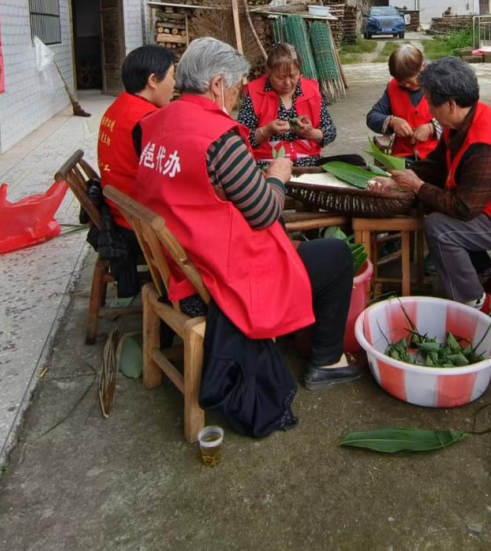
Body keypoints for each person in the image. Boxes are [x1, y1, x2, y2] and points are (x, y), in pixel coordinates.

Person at [134, 37, 362, 394]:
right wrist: (277, 177)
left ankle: (293, 326)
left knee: (295, 242)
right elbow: (264, 213)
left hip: (177, 265)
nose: (239, 95)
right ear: (217, 85)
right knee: (335, 255)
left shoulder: (155, 123)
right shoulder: (219, 137)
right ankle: (327, 361)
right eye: (237, 88)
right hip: (212, 278)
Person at [369, 57, 491, 317]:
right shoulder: (463, 119)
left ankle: (475, 302)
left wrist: (419, 187)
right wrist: (400, 179)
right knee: (436, 211)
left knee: (440, 228)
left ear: (451, 104)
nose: (429, 110)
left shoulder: (484, 147)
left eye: (431, 102)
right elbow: (438, 164)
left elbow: (463, 209)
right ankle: (485, 275)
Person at [236, 43, 364, 168]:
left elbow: (330, 131)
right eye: (280, 77)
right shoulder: (255, 94)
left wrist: (311, 133)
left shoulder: (311, 91)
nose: (287, 83)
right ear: (268, 73)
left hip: (308, 163)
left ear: (299, 72)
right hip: (268, 165)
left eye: (293, 76)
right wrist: (265, 131)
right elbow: (240, 140)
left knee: (357, 161)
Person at [97, 44, 176, 232]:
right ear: (153, 80)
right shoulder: (147, 121)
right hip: (138, 221)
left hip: (118, 208)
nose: (175, 83)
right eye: (172, 75)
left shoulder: (119, 106)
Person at [365, 44, 440, 162]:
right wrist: (392, 121)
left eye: (410, 81)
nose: (407, 86)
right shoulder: (393, 87)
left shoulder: (440, 84)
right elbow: (372, 117)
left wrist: (432, 128)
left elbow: (461, 118)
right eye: (402, 83)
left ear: (422, 67)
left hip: (437, 157)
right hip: (403, 159)